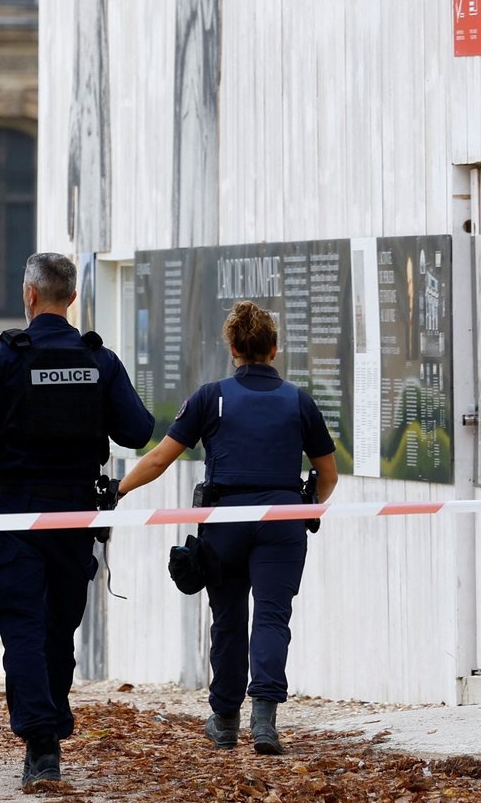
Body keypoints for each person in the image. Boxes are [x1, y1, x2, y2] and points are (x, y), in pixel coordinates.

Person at [0, 252, 154, 788]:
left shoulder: (7, 357)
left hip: (21, 508)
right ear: (72, 298)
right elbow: (137, 430)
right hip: (77, 511)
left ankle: (42, 743)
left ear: (30, 295)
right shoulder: (97, 359)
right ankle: (49, 730)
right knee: (59, 626)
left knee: (22, 624)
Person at [117, 300, 338, 756]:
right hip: (283, 521)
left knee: (229, 621)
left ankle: (223, 721)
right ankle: (265, 724)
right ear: (274, 349)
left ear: (232, 348)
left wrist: (117, 490)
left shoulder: (210, 397)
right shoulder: (299, 401)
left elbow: (159, 459)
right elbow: (328, 474)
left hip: (225, 522)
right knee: (273, 617)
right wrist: (307, 506)